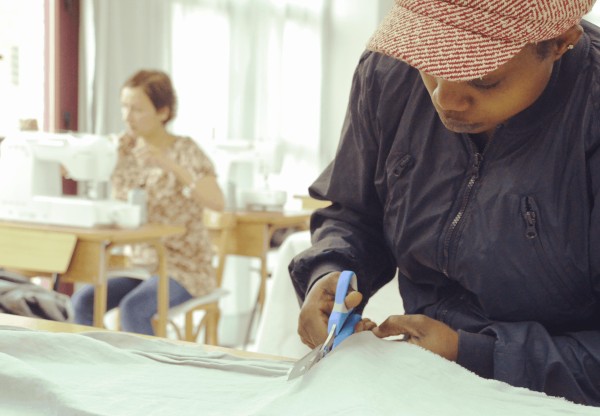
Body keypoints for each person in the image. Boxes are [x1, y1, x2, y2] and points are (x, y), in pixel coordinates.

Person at [289, 0, 600, 407]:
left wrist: (477, 353)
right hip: (420, 384)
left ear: (560, 42)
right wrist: (330, 272)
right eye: (431, 65)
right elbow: (356, 211)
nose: (446, 100)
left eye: (484, 80)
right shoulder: (390, 73)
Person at [72, 69, 225, 335]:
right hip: (138, 265)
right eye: (124, 106)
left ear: (163, 112)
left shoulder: (185, 150)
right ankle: (94, 369)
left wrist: (170, 165)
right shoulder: (121, 148)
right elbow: (82, 160)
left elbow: (217, 202)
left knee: (134, 308)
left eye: (137, 109)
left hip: (184, 268)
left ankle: (146, 374)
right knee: (83, 301)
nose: (127, 116)